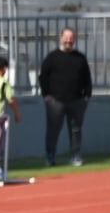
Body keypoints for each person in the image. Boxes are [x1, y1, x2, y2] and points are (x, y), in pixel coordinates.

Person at [36, 27, 92, 167]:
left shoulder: (80, 57)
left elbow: (87, 78)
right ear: (60, 38)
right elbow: (43, 77)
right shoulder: (52, 57)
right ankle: (50, 157)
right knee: (53, 131)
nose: (68, 40)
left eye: (71, 38)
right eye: (66, 38)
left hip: (77, 100)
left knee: (76, 130)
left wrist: (87, 96)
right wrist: (46, 96)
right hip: (55, 101)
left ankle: (76, 157)